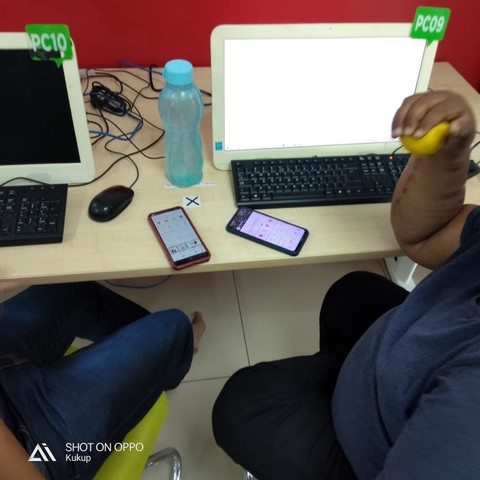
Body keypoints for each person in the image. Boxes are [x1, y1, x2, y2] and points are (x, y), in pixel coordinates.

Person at [212, 90, 479, 480]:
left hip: (372, 455)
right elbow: (425, 236)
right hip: (400, 371)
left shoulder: (467, 408)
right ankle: (348, 379)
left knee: (244, 406)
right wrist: (449, 155)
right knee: (354, 293)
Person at [0, 281, 205, 479]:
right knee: (174, 325)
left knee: (74, 291)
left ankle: (163, 354)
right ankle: (178, 352)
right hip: (33, 447)